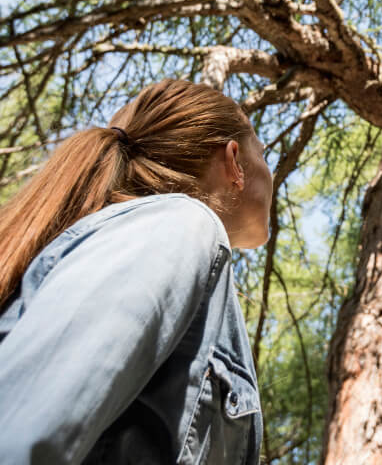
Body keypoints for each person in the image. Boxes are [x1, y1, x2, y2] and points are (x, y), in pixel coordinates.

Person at [0, 79, 273, 464]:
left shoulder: (155, 235)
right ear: (234, 161)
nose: (270, 174)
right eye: (263, 155)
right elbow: (25, 431)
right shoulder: (178, 223)